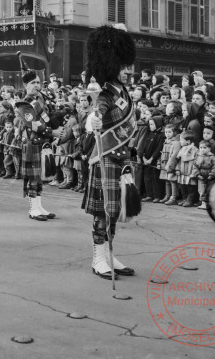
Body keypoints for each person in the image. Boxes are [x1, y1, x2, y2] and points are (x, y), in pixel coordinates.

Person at [83, 25, 137, 280]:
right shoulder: (105, 93)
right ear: (112, 65)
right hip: (105, 157)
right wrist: (92, 121)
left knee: (115, 210)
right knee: (102, 212)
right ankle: (97, 258)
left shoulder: (124, 91)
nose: (128, 71)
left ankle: (110, 255)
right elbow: (96, 113)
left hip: (121, 158)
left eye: (129, 65)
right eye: (124, 66)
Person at [16, 59, 56, 221]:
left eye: (38, 82)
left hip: (42, 143)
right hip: (32, 143)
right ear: (26, 85)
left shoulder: (41, 101)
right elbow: (33, 124)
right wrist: (52, 132)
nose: (37, 85)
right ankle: (33, 209)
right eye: (33, 83)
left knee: (39, 177)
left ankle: (39, 206)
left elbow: (48, 118)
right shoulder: (23, 104)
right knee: (33, 178)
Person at [169, 131, 200, 207]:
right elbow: (178, 161)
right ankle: (184, 199)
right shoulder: (182, 149)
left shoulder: (195, 150)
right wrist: (177, 169)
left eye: (182, 140)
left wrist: (194, 172)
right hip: (182, 173)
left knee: (191, 188)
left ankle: (190, 201)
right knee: (183, 187)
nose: (180, 141)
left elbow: (196, 162)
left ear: (188, 141)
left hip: (190, 173)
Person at [192, 140, 215, 210]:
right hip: (201, 176)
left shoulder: (212, 157)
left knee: (209, 190)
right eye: (200, 147)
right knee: (201, 190)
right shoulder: (198, 156)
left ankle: (210, 203)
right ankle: (203, 203)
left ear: (209, 149)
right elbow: (195, 166)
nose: (202, 149)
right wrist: (197, 174)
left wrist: (212, 175)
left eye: (204, 147)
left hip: (210, 177)